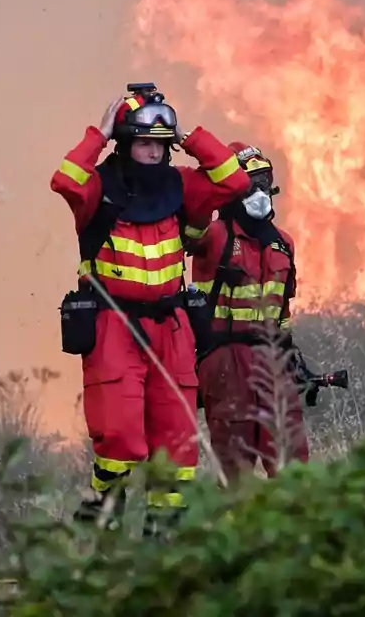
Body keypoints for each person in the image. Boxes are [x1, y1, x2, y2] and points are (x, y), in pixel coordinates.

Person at [50, 85, 249, 534]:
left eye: (161, 145)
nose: (154, 153)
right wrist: (97, 134)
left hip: (171, 326)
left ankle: (164, 535)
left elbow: (234, 180)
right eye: (144, 143)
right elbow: (64, 179)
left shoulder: (182, 185)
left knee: (178, 445)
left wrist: (188, 136)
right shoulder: (98, 187)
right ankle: (103, 507)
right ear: (125, 142)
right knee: (120, 439)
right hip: (113, 324)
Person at [189, 142, 312, 483]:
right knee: (235, 467)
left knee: (292, 458)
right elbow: (189, 222)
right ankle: (235, 531)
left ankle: (299, 530)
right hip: (225, 360)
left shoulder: (283, 243)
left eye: (263, 182)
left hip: (271, 359)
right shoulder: (214, 235)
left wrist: (288, 356)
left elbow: (282, 309)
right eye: (248, 185)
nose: (259, 193)